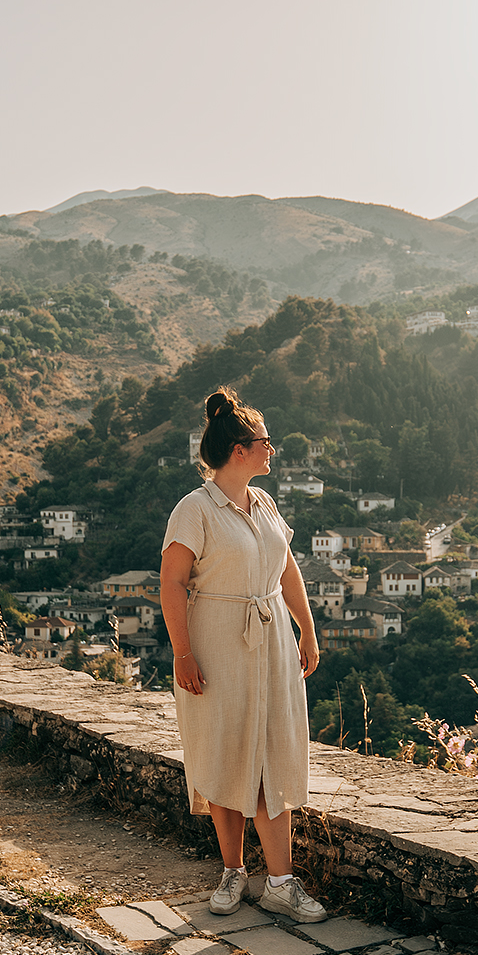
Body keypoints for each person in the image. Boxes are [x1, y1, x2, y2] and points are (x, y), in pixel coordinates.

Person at [159, 389, 325, 922]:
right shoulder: (195, 509)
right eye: (264, 442)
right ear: (238, 450)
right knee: (226, 754)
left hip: (271, 642)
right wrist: (183, 653)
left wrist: (308, 627)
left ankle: (281, 883)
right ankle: (233, 872)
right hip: (217, 645)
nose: (272, 449)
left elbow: (287, 569)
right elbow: (171, 582)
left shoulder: (265, 503)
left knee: (274, 752)